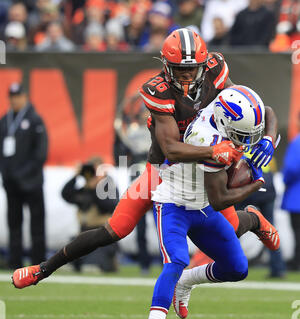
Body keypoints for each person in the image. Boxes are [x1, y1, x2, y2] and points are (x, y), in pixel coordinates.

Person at [12, 28, 278, 289]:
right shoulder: (159, 90)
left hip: (202, 171)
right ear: (165, 65)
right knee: (115, 229)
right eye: (179, 68)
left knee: (230, 227)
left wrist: (267, 136)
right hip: (163, 170)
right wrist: (213, 151)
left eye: (191, 68)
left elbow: (257, 108)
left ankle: (253, 219)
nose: (186, 75)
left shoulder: (215, 71)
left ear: (203, 63)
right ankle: (43, 269)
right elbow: (172, 149)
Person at [137, 86, 277, 319]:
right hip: (174, 204)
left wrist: (268, 139)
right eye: (241, 135)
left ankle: (186, 281)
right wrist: (257, 181)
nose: (245, 141)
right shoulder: (206, 138)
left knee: (237, 268)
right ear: (225, 123)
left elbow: (268, 112)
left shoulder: (225, 110)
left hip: (201, 207)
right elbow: (220, 199)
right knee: (176, 260)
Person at [0, 83, 48, 270]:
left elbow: (40, 154)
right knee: (14, 224)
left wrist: (22, 173)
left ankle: (39, 264)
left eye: (17, 96)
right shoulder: (5, 121)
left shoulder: (35, 120)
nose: (14, 99)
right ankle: (15, 262)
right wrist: (7, 174)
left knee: (37, 224)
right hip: (11, 183)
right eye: (11, 96)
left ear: (25, 97)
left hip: (31, 182)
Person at [61, 156, 119, 272]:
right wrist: (76, 176)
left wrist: (96, 189)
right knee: (67, 252)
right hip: (83, 232)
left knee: (95, 260)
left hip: (103, 233)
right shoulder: (85, 189)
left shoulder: (109, 186)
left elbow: (109, 206)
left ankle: (106, 263)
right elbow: (66, 194)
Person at [281, 134, 300, 271]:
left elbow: (291, 168)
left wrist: (285, 181)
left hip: (297, 197)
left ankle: (296, 263)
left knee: (298, 233)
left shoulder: (297, 142)